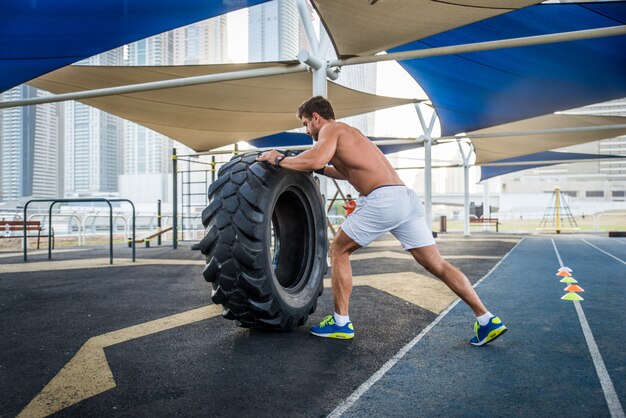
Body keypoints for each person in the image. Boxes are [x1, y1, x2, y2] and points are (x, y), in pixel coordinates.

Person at [256, 96, 506, 346]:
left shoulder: (330, 129)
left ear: (316, 118)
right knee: (437, 264)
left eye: (305, 123)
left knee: (339, 250)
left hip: (383, 199)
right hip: (405, 199)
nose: (306, 130)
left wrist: (278, 159)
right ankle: (486, 319)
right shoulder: (352, 134)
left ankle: (341, 323)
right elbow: (343, 171)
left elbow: (315, 159)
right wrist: (318, 169)